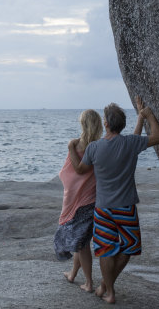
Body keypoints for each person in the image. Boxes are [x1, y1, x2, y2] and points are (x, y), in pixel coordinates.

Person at [68, 96, 159, 304]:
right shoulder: (130, 143)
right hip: (126, 207)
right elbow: (158, 137)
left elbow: (79, 170)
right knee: (128, 247)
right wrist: (147, 116)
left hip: (103, 209)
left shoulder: (94, 148)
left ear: (106, 124)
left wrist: (70, 149)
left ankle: (108, 290)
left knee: (105, 249)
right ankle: (105, 285)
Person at [53, 109, 103, 292]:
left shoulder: (79, 145)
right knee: (81, 240)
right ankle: (73, 274)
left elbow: (78, 169)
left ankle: (89, 283)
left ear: (83, 124)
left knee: (81, 244)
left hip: (81, 202)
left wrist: (70, 148)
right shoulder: (100, 145)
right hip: (92, 199)